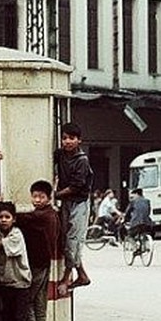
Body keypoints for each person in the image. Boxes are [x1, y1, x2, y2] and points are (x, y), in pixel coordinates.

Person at [16, 179, 60, 321]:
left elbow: (21, 218)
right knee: (39, 305)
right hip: (44, 263)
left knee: (27, 301)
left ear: (48, 198)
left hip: (37, 265)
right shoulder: (52, 213)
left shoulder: (42, 216)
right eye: (35, 197)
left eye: (41, 197)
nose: (37, 200)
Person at [54, 122, 93, 292]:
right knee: (65, 239)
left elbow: (76, 186)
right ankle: (82, 275)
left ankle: (65, 277)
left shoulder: (82, 160)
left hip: (79, 203)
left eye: (71, 138)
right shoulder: (60, 154)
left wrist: (54, 195)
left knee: (73, 241)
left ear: (79, 141)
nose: (67, 141)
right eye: (64, 138)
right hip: (66, 202)